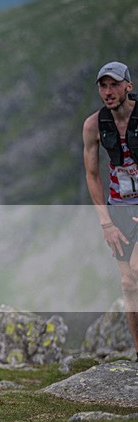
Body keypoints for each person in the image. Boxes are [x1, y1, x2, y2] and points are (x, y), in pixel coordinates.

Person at [82, 61, 138, 362]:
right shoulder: (94, 125)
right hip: (119, 209)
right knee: (129, 285)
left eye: (114, 84)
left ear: (128, 85)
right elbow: (92, 174)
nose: (108, 92)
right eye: (103, 86)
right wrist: (105, 223)